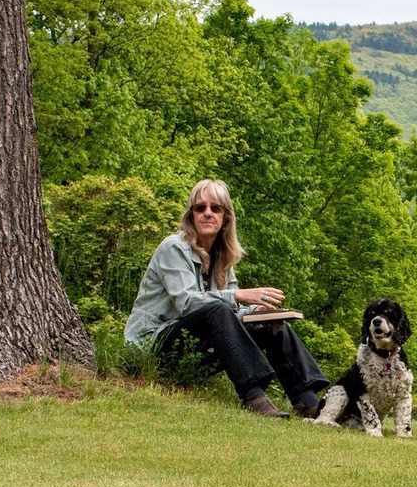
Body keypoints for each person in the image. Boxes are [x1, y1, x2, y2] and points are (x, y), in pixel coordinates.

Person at [124, 179, 329, 418]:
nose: (207, 213)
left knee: (271, 326)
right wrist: (237, 295)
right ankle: (254, 396)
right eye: (200, 208)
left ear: (225, 218)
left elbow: (229, 317)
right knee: (217, 309)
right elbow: (187, 304)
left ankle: (310, 402)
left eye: (215, 208)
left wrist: (256, 315)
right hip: (154, 345)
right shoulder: (173, 248)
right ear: (191, 216)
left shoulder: (222, 257)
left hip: (197, 347)